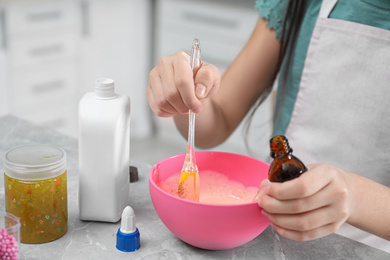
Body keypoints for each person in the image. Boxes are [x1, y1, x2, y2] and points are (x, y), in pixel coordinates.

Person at [147, 0, 390, 253]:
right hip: (272, 232)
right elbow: (216, 122)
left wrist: (356, 198)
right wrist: (187, 95)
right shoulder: (297, 5)